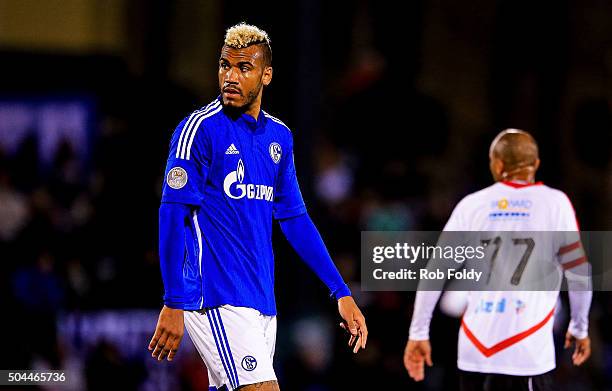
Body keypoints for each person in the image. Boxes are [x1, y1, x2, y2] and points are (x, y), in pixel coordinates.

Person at [147, 23, 367, 391]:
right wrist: (173, 300)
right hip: (215, 296)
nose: (230, 76)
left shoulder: (279, 137)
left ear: (266, 75)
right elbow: (172, 214)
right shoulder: (199, 130)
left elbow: (295, 219)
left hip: (262, 301)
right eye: (224, 65)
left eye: (243, 68)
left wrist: (340, 291)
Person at [404, 129, 592, 390]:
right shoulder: (555, 203)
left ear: (497, 164)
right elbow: (579, 271)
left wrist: (418, 333)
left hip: (475, 350)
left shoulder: (471, 205)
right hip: (526, 351)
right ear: (535, 164)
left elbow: (435, 272)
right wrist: (580, 327)